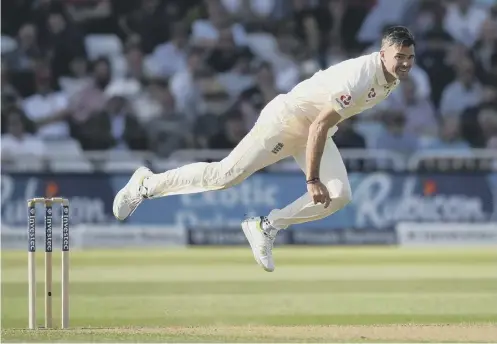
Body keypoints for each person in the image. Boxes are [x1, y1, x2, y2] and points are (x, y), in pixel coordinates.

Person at [113, 26, 416, 272]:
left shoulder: (392, 80)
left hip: (313, 130)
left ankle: (266, 226)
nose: (404, 63)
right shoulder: (359, 78)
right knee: (225, 175)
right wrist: (312, 180)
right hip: (287, 121)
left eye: (409, 58)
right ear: (382, 53)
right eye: (399, 56)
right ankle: (146, 184)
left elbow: (324, 125)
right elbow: (319, 126)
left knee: (339, 195)